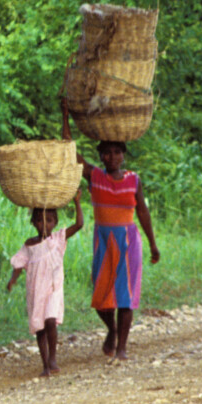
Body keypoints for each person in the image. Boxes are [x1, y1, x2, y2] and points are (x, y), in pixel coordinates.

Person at [63, 105, 160, 359]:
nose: (113, 156)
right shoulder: (95, 176)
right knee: (101, 296)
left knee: (125, 296)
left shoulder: (134, 180)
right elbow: (69, 151)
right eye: (107, 152)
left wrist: (153, 244)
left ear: (123, 156)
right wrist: (65, 117)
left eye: (117, 152)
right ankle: (112, 329)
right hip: (104, 242)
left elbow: (143, 213)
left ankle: (122, 348)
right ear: (102, 156)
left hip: (129, 241)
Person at [6, 188, 84, 376]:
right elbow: (19, 263)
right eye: (39, 221)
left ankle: (53, 358)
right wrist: (13, 280)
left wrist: (77, 202)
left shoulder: (58, 239)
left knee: (50, 320)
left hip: (54, 288)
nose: (44, 225)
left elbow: (79, 224)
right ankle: (45, 366)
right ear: (33, 222)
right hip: (36, 291)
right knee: (40, 327)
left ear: (55, 222)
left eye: (48, 221)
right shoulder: (29, 244)